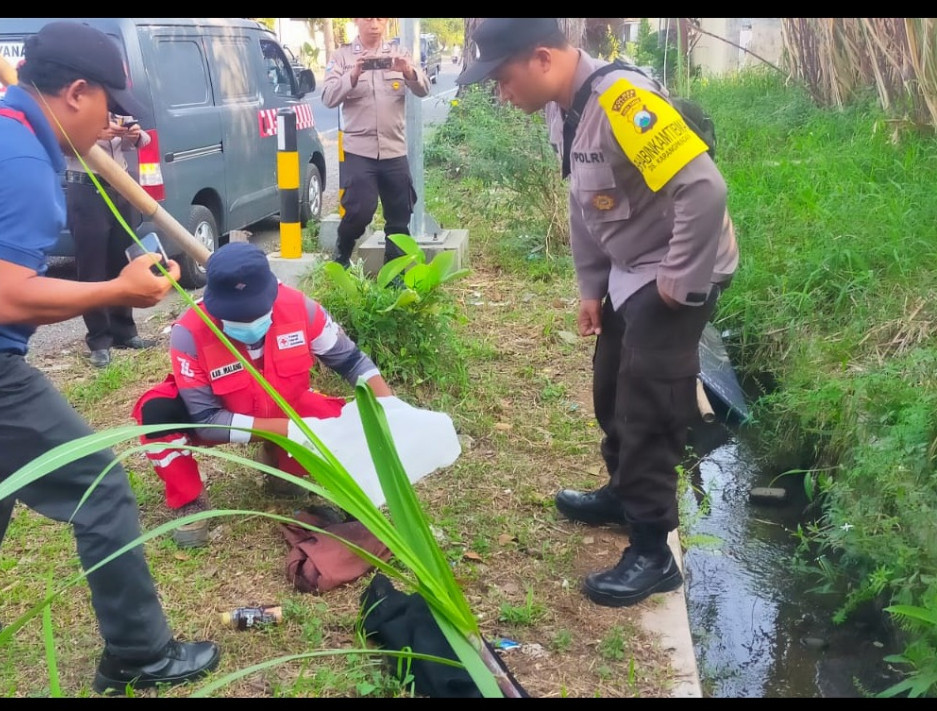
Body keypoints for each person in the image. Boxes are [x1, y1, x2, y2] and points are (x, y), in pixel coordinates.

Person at [0, 21, 218, 692]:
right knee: (101, 489)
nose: (112, 123)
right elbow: (7, 296)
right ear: (76, 92)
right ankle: (139, 656)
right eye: (109, 105)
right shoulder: (20, 157)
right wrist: (119, 288)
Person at [457, 18, 739, 608]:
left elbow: (704, 188)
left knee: (650, 406)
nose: (502, 96)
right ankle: (621, 492)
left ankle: (652, 549)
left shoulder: (624, 102)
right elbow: (585, 200)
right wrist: (592, 284)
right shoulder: (566, 106)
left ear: (541, 58)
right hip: (631, 269)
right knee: (610, 387)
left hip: (677, 270)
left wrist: (678, 285)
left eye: (503, 81)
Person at [131, 242, 395, 548]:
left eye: (255, 313)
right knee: (155, 412)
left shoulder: (303, 310)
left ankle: (281, 466)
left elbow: (352, 362)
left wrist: (390, 407)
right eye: (235, 316)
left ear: (273, 292)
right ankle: (191, 501)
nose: (248, 323)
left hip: (287, 408)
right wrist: (290, 430)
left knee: (343, 422)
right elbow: (206, 421)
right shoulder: (189, 332)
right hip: (224, 417)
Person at [321, 17, 430, 269]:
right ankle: (342, 253)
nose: (374, 24)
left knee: (399, 216)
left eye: (380, 18)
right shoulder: (341, 57)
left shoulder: (399, 53)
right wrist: (353, 75)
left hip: (394, 150)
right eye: (368, 18)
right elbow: (327, 97)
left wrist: (409, 72)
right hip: (359, 151)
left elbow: (423, 89)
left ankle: (395, 274)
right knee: (359, 212)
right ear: (356, 21)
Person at [65, 112, 155, 368]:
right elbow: (59, 143)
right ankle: (99, 341)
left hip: (120, 185)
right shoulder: (72, 106)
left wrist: (134, 134)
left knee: (123, 260)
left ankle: (125, 332)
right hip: (86, 187)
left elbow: (143, 141)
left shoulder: (118, 107)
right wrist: (93, 135)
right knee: (92, 267)